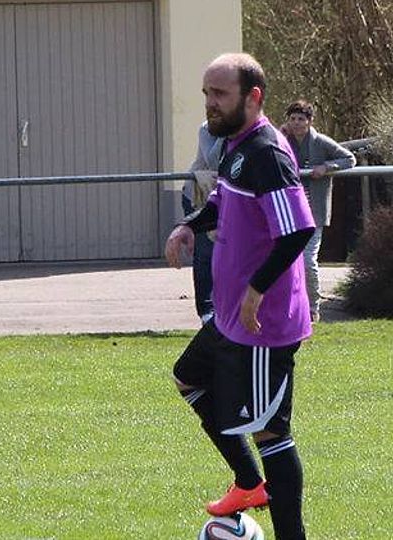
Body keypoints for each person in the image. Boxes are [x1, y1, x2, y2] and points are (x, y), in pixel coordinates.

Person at [165, 53, 314, 540]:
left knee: (271, 433)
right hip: (230, 319)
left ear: (253, 98)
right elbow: (223, 203)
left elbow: (296, 231)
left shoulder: (268, 152)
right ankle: (249, 485)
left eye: (220, 94)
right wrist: (190, 226)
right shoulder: (235, 145)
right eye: (207, 93)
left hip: (261, 326)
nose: (209, 103)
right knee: (188, 377)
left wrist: (255, 291)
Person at [281, 99, 356, 322]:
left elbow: (348, 158)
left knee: (307, 259)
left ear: (310, 121)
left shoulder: (320, 142)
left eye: (301, 119)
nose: (296, 123)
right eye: (293, 119)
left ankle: (313, 308)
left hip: (314, 213)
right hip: (289, 212)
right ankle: (292, 307)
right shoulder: (283, 140)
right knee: (285, 260)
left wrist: (326, 167)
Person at [183, 122, 223, 323]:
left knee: (227, 254)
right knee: (205, 253)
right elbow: (213, 159)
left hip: (228, 195)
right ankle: (206, 310)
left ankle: (225, 308)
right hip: (199, 195)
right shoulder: (207, 129)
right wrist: (227, 132)